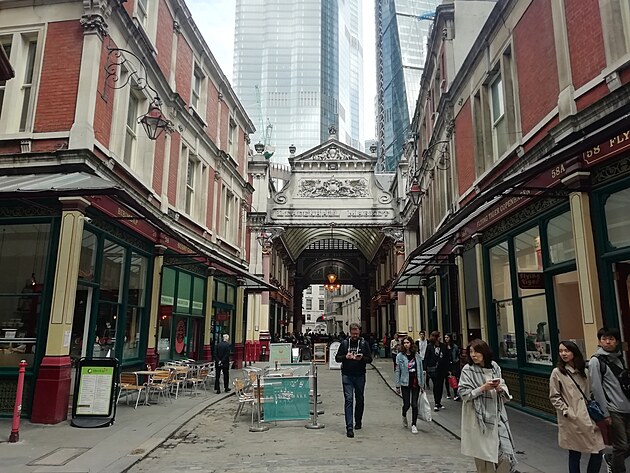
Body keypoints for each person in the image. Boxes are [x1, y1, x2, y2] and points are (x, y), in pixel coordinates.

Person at [458, 338, 517, 473]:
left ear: (484, 352)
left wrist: (499, 388)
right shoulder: (468, 370)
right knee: (484, 458)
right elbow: (464, 393)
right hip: (478, 419)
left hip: (497, 416)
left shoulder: (495, 366)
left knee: (506, 455)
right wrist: (483, 388)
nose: (474, 355)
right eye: (471, 352)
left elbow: (503, 386)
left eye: (477, 352)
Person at [549, 340, 604, 473]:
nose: (563, 354)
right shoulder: (557, 372)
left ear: (574, 352)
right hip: (571, 419)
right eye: (561, 351)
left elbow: (590, 391)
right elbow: (554, 396)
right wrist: (566, 410)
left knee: (598, 449)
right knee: (575, 452)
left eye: (566, 351)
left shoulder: (583, 371)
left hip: (587, 415)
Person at [589, 327, 630, 472]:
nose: (608, 342)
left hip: (627, 407)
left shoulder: (620, 358)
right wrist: (605, 413)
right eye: (604, 339)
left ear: (617, 341)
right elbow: (596, 388)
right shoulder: (596, 361)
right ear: (599, 341)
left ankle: (611, 459)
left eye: (611, 339)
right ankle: (617, 469)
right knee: (621, 445)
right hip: (613, 409)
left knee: (626, 445)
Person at [334, 322, 373, 438]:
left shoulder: (363, 344)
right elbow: (337, 358)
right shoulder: (345, 343)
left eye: (356, 333)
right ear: (350, 332)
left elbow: (369, 359)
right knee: (349, 399)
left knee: (360, 399)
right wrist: (345, 357)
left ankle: (358, 421)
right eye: (353, 333)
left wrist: (361, 358)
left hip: (360, 375)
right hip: (347, 375)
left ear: (359, 332)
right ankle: (349, 427)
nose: (355, 335)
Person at [394, 336, 424, 434]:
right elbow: (397, 370)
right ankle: (404, 414)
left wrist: (422, 384)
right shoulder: (400, 356)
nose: (406, 345)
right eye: (405, 343)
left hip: (415, 382)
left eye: (408, 342)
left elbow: (420, 369)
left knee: (414, 404)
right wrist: (397, 385)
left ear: (411, 344)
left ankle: (414, 424)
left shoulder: (417, 355)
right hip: (405, 382)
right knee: (406, 404)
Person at [424, 331, 450, 411]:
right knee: (436, 385)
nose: (440, 337)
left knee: (441, 386)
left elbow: (447, 358)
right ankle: (436, 402)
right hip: (433, 369)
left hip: (442, 369)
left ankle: (439, 402)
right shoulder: (430, 346)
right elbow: (426, 358)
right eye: (439, 336)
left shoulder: (443, 346)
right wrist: (424, 369)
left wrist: (449, 369)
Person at [444, 333, 461, 401]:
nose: (446, 339)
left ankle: (455, 393)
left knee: (454, 378)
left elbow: (457, 355)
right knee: (447, 378)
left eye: (447, 337)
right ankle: (448, 393)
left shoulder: (454, 346)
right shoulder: (444, 346)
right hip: (446, 364)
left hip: (453, 364)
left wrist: (456, 362)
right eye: (445, 337)